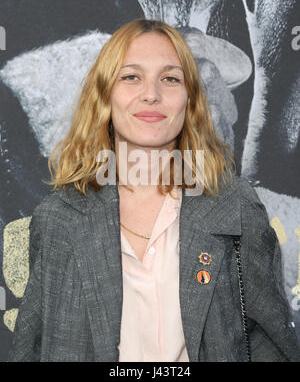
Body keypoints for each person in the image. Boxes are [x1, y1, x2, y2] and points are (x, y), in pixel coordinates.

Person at [7, 19, 300, 362]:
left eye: (170, 79)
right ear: (105, 95)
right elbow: (31, 350)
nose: (151, 93)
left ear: (191, 98)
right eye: (131, 77)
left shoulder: (236, 207)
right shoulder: (57, 218)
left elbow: (273, 346)